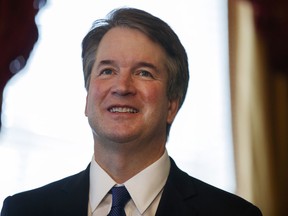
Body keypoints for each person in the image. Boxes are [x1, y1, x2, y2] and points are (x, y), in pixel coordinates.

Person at [1, 7, 262, 216]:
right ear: (87, 98)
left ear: (172, 104)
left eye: (143, 73)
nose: (122, 87)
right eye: (107, 71)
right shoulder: (23, 210)